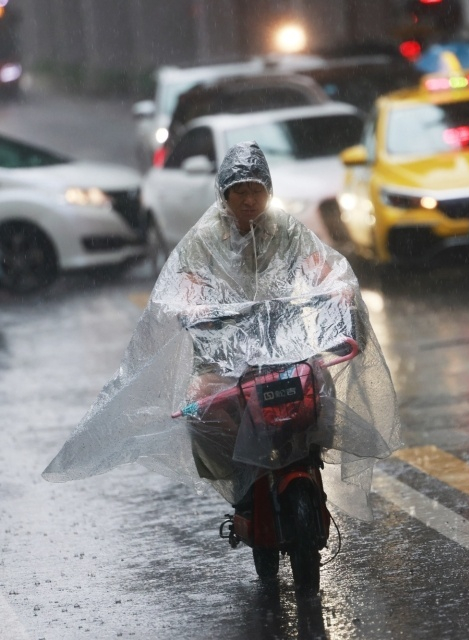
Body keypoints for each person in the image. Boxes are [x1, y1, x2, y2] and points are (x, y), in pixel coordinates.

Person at [43, 141, 401, 521]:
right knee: (207, 410)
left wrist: (336, 289)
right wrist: (197, 307)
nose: (249, 200)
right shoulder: (205, 236)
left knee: (316, 387)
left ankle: (308, 457)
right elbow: (188, 282)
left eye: (256, 190)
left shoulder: (285, 229)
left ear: (268, 191)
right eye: (240, 191)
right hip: (221, 343)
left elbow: (318, 264)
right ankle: (241, 483)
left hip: (284, 340)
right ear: (224, 194)